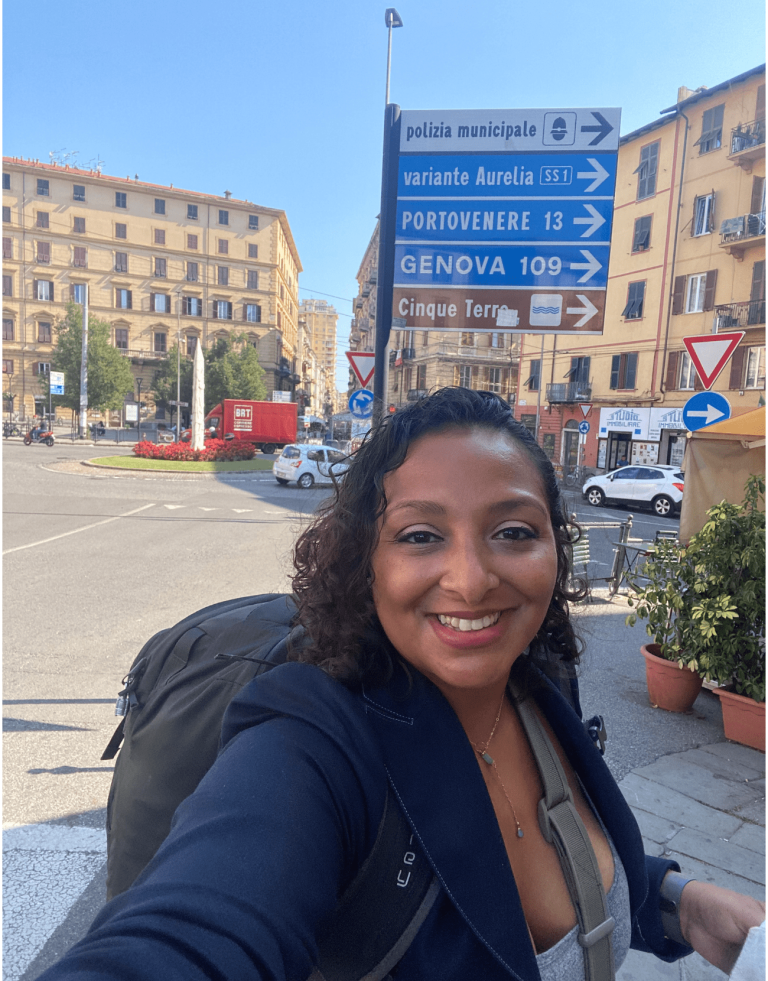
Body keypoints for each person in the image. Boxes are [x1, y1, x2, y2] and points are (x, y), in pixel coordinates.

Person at [39, 388, 763, 981]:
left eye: (513, 531)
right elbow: (191, 928)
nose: (474, 579)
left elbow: (574, 859)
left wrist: (682, 905)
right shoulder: (314, 737)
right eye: (421, 535)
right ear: (366, 561)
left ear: (554, 548)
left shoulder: (537, 680)